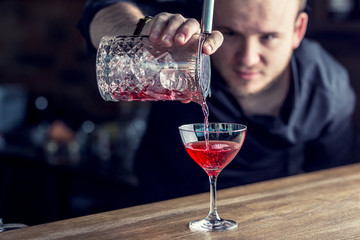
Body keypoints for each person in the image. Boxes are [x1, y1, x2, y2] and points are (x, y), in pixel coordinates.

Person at [78, 0, 356, 204]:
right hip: (156, 210)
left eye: (268, 36)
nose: (247, 58)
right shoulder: (184, 50)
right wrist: (141, 36)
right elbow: (101, 10)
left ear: (298, 30)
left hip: (260, 215)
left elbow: (331, 184)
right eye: (231, 33)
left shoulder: (326, 90)